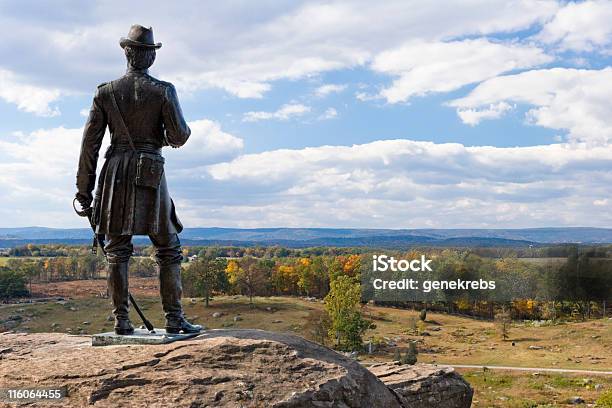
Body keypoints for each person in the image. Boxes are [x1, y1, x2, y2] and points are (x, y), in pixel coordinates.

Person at [75, 24, 201, 335]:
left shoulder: (106, 92)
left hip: (115, 170)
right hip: (149, 172)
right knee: (168, 247)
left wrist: (84, 189)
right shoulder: (163, 91)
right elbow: (179, 136)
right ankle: (174, 318)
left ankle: (121, 321)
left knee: (118, 248)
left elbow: (90, 144)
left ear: (127, 54)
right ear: (150, 57)